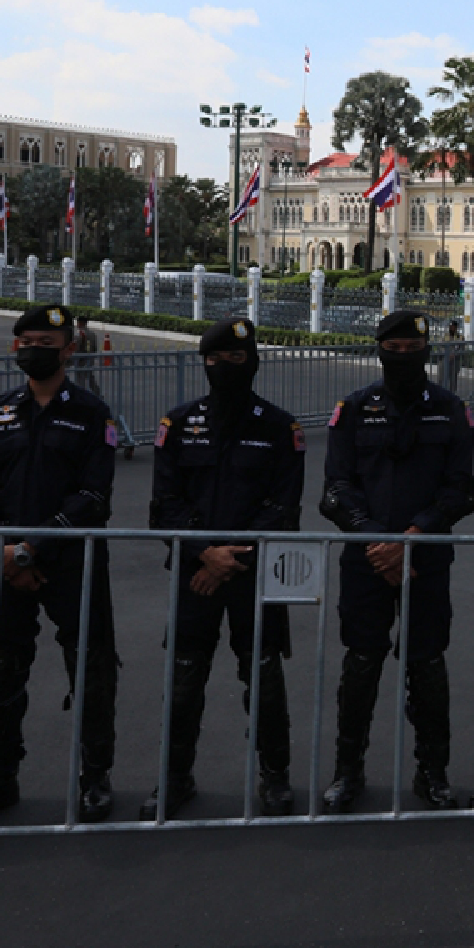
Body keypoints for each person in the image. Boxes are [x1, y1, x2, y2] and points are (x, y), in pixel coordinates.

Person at [0, 304, 120, 826]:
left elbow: (94, 495)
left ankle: (95, 778)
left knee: (90, 668)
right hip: (2, 564)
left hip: (72, 560)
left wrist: (32, 550)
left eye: (48, 342)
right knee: (0, 673)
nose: (35, 350)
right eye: (27, 341)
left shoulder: (93, 414)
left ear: (70, 349)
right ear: (14, 348)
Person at [317, 310, 474, 812]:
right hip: (366, 559)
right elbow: (336, 488)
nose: (403, 357)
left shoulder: (452, 410)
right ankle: (348, 771)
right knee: (361, 665)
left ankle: (433, 772)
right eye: (395, 349)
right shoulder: (353, 410)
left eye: (413, 349)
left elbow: (461, 492)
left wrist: (413, 535)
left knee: (427, 665)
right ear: (380, 350)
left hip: (425, 559)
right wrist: (376, 541)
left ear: (427, 352)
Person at [147, 318, 305, 820]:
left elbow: (284, 507)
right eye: (216, 360)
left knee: (263, 676)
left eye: (237, 359)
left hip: (254, 572)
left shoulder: (280, 428)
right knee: (186, 677)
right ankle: (175, 778)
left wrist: (227, 558)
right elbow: (164, 505)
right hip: (196, 572)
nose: (226, 368)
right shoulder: (179, 424)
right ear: (205, 363)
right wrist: (205, 552)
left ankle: (275, 776)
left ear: (253, 361)